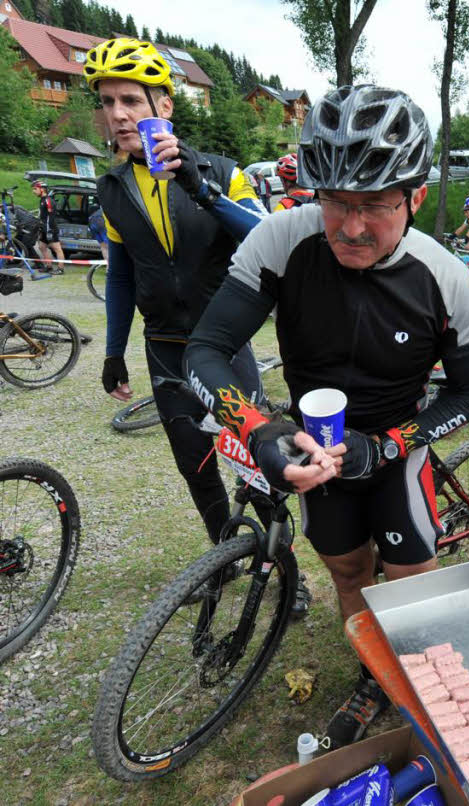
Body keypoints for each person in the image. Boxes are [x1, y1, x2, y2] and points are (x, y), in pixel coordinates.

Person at [184, 85, 469, 747]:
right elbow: (205, 350)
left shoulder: (447, 279)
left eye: (374, 205)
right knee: (348, 572)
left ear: (411, 195)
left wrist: (389, 444)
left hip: (394, 449)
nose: (351, 227)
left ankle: (420, 682)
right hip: (316, 448)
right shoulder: (280, 240)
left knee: (410, 582)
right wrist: (258, 429)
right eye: (336, 202)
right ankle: (372, 673)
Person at [81, 38, 314, 612]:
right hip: (162, 346)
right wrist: (114, 352)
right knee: (196, 465)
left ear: (164, 105)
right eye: (108, 102)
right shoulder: (111, 188)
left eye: (131, 99)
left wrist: (199, 189)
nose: (118, 114)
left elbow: (266, 241)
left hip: (223, 347)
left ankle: (288, 572)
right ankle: (225, 556)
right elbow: (119, 278)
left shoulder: (223, 172)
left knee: (256, 462)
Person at [31, 180, 66, 273]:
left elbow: (51, 218)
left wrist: (49, 231)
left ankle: (60, 269)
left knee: (57, 249)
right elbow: (43, 216)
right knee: (42, 247)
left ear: (42, 189)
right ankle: (49, 266)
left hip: (50, 228)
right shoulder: (42, 200)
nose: (33, 191)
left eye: (35, 189)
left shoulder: (48, 200)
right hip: (44, 229)